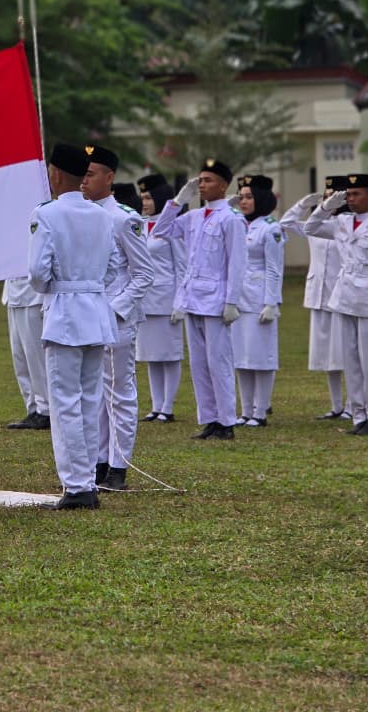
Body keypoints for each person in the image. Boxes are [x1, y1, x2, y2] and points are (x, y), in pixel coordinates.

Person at [28, 143, 118, 510]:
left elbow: (37, 273)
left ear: (55, 174)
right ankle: (87, 481)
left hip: (65, 313)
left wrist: (57, 288)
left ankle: (77, 485)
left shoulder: (46, 213)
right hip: (96, 311)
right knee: (90, 399)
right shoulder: (100, 214)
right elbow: (113, 267)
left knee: (65, 402)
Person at [152, 159, 247, 441]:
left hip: (217, 300)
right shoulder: (193, 216)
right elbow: (160, 231)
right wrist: (178, 200)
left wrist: (232, 301)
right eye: (200, 180)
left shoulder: (231, 219)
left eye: (208, 180)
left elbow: (237, 263)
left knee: (219, 362)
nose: (202, 185)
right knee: (199, 365)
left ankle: (227, 421)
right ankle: (210, 419)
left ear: (224, 185)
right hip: (192, 298)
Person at [80, 145, 154, 491]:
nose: (84, 179)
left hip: (116, 318)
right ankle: (97, 461)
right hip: (88, 316)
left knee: (119, 392)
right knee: (93, 393)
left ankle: (118, 466)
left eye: (91, 173)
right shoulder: (78, 214)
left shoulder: (124, 218)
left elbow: (143, 274)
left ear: (109, 178)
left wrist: (116, 308)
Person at [304, 173, 368, 436]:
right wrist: (328, 205)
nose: (352, 199)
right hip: (343, 300)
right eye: (349, 195)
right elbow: (310, 228)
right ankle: (358, 416)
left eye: (357, 194)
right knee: (351, 362)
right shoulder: (341, 223)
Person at [280, 176, 349, 420]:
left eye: (335, 194)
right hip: (318, 293)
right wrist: (302, 204)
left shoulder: (346, 223)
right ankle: (336, 405)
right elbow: (286, 223)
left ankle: (352, 406)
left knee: (344, 353)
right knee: (326, 356)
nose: (330, 197)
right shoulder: (315, 223)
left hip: (340, 295)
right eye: (326, 193)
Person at [232, 175, 283, 427]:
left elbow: (275, 269)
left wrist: (272, 302)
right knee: (241, 357)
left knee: (261, 358)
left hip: (260, 298)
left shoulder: (270, 227)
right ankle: (246, 410)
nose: (243, 201)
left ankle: (260, 411)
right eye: (241, 197)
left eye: (249, 197)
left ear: (261, 199)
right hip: (238, 298)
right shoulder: (238, 223)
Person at [135, 173, 186, 424]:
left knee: (170, 353)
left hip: (167, 298)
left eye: (148, 197)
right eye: (142, 197)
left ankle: (168, 406)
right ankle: (155, 406)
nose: (144, 202)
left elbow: (182, 267)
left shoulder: (171, 227)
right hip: (145, 300)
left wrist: (180, 301)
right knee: (151, 354)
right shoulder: (140, 225)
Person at [1, 273, 51, 429]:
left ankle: (46, 409)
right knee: (20, 358)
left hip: (33, 295)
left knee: (36, 358)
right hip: (13, 293)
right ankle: (33, 408)